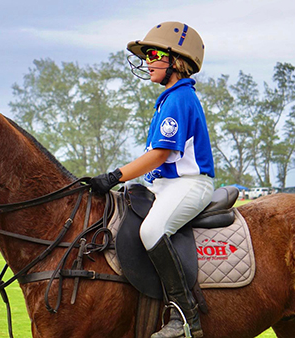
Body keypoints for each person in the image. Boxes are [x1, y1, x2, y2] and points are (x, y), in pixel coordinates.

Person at [90, 22, 214, 338]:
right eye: (146, 55)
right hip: (162, 186)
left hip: (189, 185)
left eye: (154, 54)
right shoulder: (167, 99)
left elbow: (159, 155)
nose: (148, 61)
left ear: (176, 60)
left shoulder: (179, 98)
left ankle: (186, 319)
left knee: (153, 229)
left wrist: (113, 176)